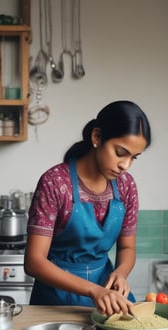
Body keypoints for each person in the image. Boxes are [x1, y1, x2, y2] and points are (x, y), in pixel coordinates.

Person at [24, 100, 151, 317]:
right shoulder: (54, 183)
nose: (125, 165)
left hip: (109, 297)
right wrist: (93, 290)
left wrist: (120, 273)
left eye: (133, 158)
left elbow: (127, 248)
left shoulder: (126, 186)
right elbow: (34, 262)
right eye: (120, 152)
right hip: (56, 299)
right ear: (97, 137)